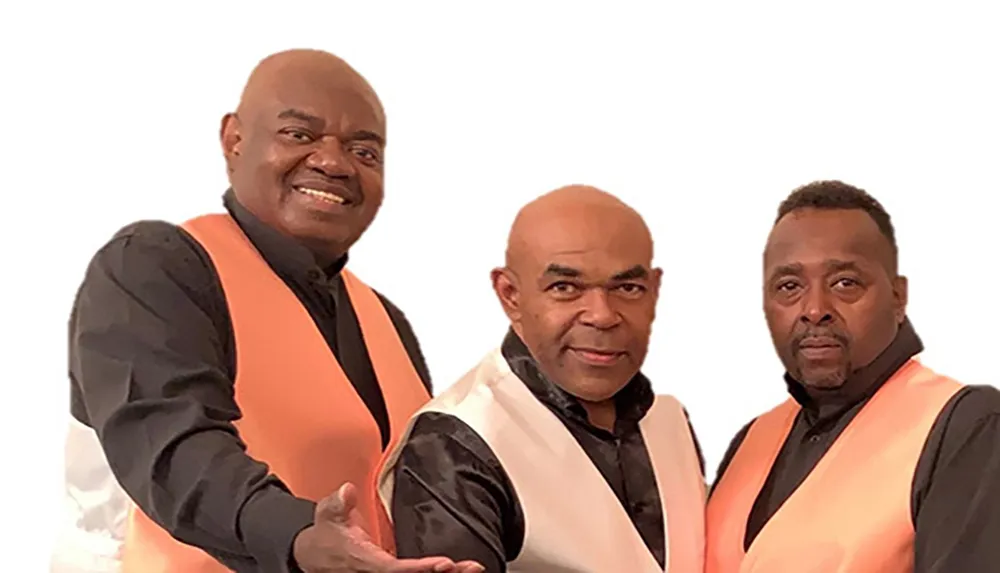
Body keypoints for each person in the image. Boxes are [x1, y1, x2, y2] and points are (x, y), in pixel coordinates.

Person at [53, 49, 482, 573]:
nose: (334, 162)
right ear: (234, 140)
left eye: (364, 151)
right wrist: (298, 537)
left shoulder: (384, 320)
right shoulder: (155, 269)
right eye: (299, 135)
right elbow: (171, 446)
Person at [375, 185, 708, 572]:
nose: (602, 314)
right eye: (565, 287)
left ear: (654, 292)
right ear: (510, 295)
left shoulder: (670, 420)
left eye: (627, 288)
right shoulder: (455, 441)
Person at [705, 180, 1000, 572]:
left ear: (898, 297)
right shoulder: (751, 439)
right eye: (789, 286)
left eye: (845, 283)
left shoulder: (965, 426)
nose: (814, 309)